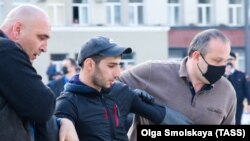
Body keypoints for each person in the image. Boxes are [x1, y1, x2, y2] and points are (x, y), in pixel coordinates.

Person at [54, 36, 193, 141]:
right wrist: (62, 121)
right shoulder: (67, 103)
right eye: (111, 66)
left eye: (119, 65)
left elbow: (163, 116)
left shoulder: (121, 92)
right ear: (89, 64)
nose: (118, 73)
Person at [118, 29, 237, 141]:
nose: (222, 67)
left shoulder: (227, 91)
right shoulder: (152, 72)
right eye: (217, 60)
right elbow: (107, 88)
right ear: (196, 56)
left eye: (225, 61)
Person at [0, 4, 77, 141]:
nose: (45, 48)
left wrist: (62, 121)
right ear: (17, 30)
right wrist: (63, 122)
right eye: (41, 38)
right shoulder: (5, 49)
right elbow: (43, 107)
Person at [224, 52, 250, 125]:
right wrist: (226, 75)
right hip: (223, 105)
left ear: (235, 60)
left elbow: (246, 90)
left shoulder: (241, 75)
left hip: (237, 105)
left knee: (236, 122)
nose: (229, 61)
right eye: (227, 59)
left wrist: (249, 103)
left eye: (231, 59)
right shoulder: (221, 75)